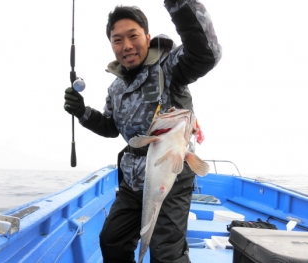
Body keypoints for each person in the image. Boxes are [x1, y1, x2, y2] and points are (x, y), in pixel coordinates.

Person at [64, 0, 221, 262]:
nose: (126, 45)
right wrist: (83, 112)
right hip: (132, 179)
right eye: (117, 40)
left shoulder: (169, 67)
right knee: (111, 240)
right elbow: (111, 127)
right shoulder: (116, 89)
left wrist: (178, 4)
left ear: (147, 37)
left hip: (170, 174)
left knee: (165, 253)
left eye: (133, 36)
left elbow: (205, 54)